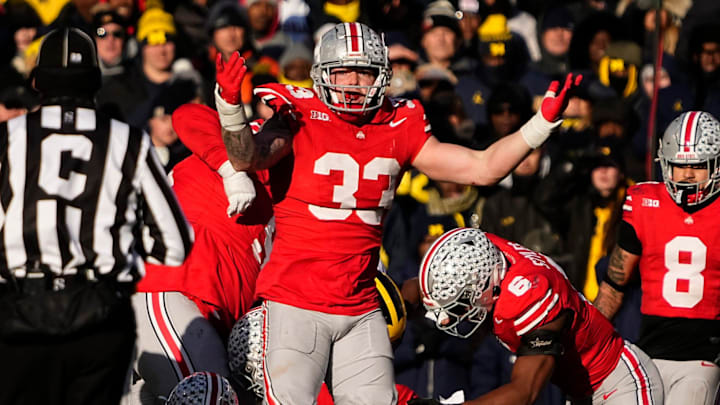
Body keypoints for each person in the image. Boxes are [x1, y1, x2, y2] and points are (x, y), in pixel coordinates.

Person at [209, 22, 581, 404]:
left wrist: (540, 125)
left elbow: (482, 167)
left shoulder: (398, 124)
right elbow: (246, 156)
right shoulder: (299, 115)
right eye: (343, 71)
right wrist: (230, 107)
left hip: (362, 307)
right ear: (322, 74)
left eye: (364, 71)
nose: (353, 82)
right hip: (295, 304)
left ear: (382, 76)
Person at [0, 27, 193, 405]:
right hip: (99, 313)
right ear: (95, 81)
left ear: (37, 81)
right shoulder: (128, 140)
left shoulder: (7, 139)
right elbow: (174, 244)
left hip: (20, 311)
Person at [128, 103, 276, 404]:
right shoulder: (256, 151)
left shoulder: (306, 200)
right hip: (170, 290)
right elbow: (188, 115)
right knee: (212, 396)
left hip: (209, 318)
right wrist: (232, 170)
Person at [412, 227, 663, 404]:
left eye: (461, 305)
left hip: (618, 382)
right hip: (580, 391)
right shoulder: (486, 253)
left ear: (486, 287)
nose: (450, 318)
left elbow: (524, 393)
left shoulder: (531, 297)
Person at [593, 110, 720, 405]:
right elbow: (613, 287)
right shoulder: (643, 203)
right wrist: (586, 339)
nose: (687, 175)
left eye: (698, 166)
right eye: (678, 165)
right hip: (647, 353)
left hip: (702, 356)